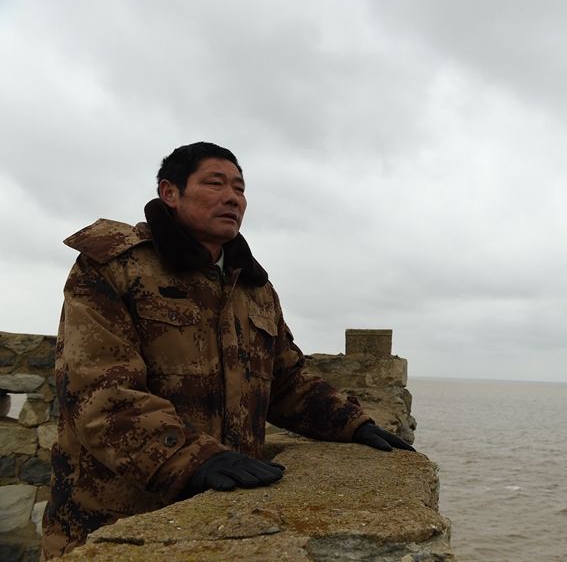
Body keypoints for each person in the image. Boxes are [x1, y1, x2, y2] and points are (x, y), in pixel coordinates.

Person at [41, 142, 413, 559]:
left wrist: (351, 423)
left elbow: (286, 382)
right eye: (214, 183)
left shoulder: (254, 287)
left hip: (226, 523)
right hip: (113, 527)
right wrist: (193, 459)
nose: (232, 197)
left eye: (239, 188)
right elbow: (99, 393)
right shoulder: (113, 266)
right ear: (170, 192)